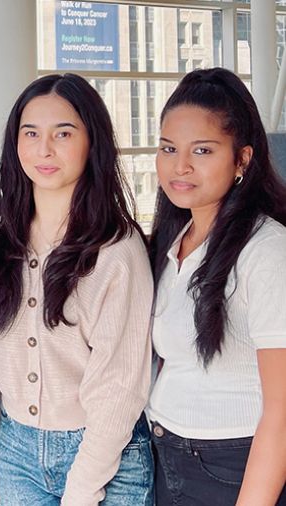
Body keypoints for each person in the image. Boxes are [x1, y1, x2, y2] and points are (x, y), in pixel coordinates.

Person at [0, 74, 154, 506]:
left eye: (64, 133)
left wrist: (81, 491)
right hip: (15, 450)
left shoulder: (117, 249)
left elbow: (120, 390)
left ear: (92, 142)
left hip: (106, 457)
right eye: (31, 133)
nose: (44, 149)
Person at [146, 67, 286, 505]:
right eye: (169, 148)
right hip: (163, 456)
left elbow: (282, 414)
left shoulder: (266, 252)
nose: (179, 166)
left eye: (202, 150)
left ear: (242, 159)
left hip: (231, 468)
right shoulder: (173, 242)